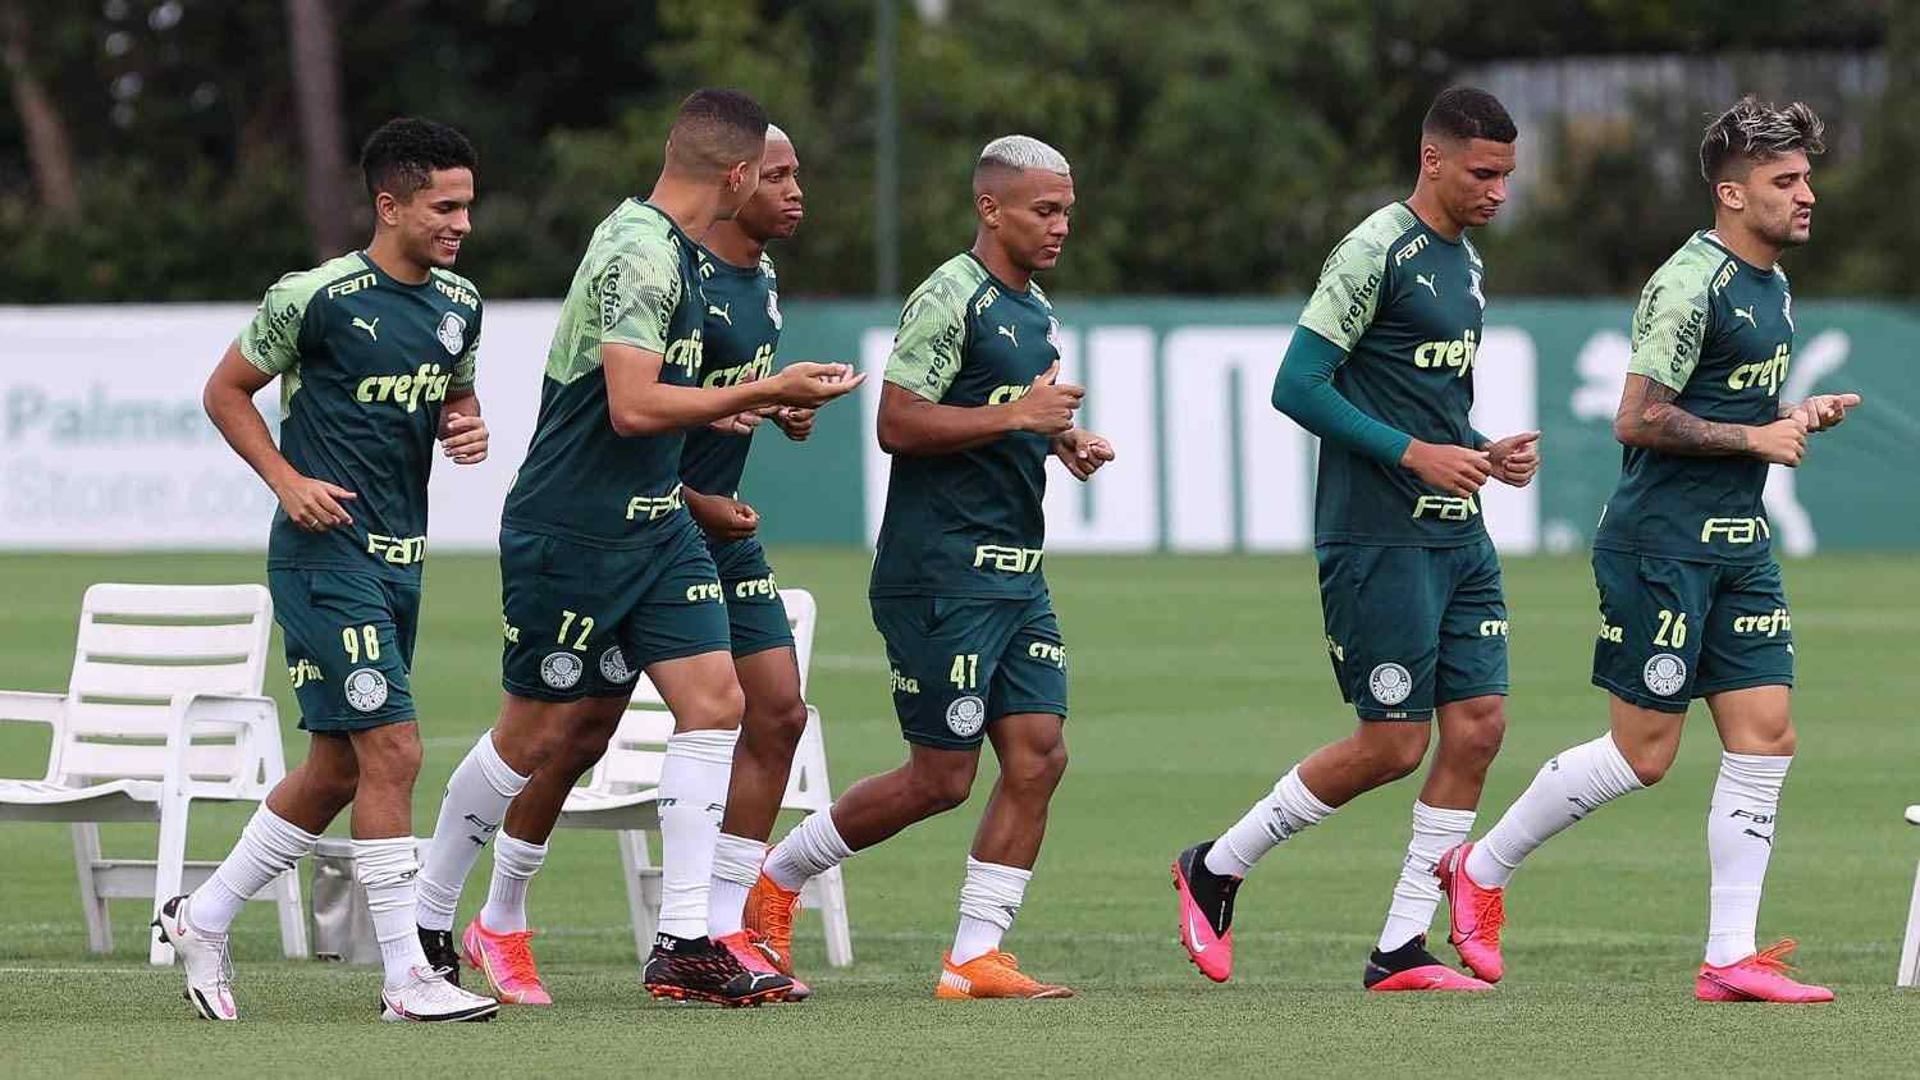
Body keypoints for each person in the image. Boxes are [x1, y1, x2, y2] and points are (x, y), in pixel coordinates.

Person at [411, 89, 860, 1008]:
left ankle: (687, 938)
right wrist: (767, 384)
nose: (786, 189)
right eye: (771, 174)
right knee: (538, 733)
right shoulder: (641, 253)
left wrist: (762, 400)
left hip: (656, 521)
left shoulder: (698, 256)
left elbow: (682, 398)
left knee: (719, 700)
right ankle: (429, 909)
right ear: (735, 177)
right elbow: (632, 405)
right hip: (572, 527)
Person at [1440, 96, 1859, 1004]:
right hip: (1659, 547)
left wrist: (1790, 419)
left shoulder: (1774, 288)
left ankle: (1729, 957)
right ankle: (1481, 867)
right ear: (1732, 194)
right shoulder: (1690, 283)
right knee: (1644, 754)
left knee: (1767, 736)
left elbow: (1732, 414)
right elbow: (1640, 419)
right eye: (1785, 182)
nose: (1806, 196)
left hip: (1738, 544)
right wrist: (1755, 441)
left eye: (1805, 179)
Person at [1172, 87, 1541, 992]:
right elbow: (1297, 386)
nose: (1498, 191)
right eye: (1484, 173)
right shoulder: (1377, 249)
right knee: (1390, 745)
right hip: (1376, 536)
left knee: (1480, 727)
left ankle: (1401, 947)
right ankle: (1215, 867)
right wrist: (1415, 454)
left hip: (1459, 534)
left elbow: (1425, 395)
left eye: (1508, 176)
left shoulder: (1466, 264)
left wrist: (1481, 451)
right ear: (1435, 160)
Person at [745, 134, 1116, 1001]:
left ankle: (972, 956)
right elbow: (900, 425)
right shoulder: (951, 295)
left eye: (1066, 209)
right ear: (991, 208)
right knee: (942, 777)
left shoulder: (1036, 310)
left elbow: (1007, 413)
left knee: (1039, 755)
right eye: (1043, 209)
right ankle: (779, 877)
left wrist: (1062, 439)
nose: (1061, 224)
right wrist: (1023, 417)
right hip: (939, 569)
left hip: (1016, 572)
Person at [155, 118, 500, 1023]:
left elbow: (453, 398)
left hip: (401, 559)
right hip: (323, 554)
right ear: (390, 205)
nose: (462, 222)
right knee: (397, 749)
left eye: (467, 205)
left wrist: (465, 427)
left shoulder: (460, 303)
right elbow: (224, 391)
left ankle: (204, 916)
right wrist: (286, 478)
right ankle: (406, 979)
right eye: (444, 206)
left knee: (338, 770)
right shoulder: (315, 296)